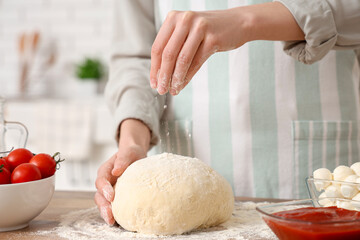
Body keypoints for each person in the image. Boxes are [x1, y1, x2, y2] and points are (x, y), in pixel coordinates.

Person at [95, 0, 360, 225]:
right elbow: (137, 57)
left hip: (320, 169)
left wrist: (247, 20)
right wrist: (132, 142)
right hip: (187, 162)